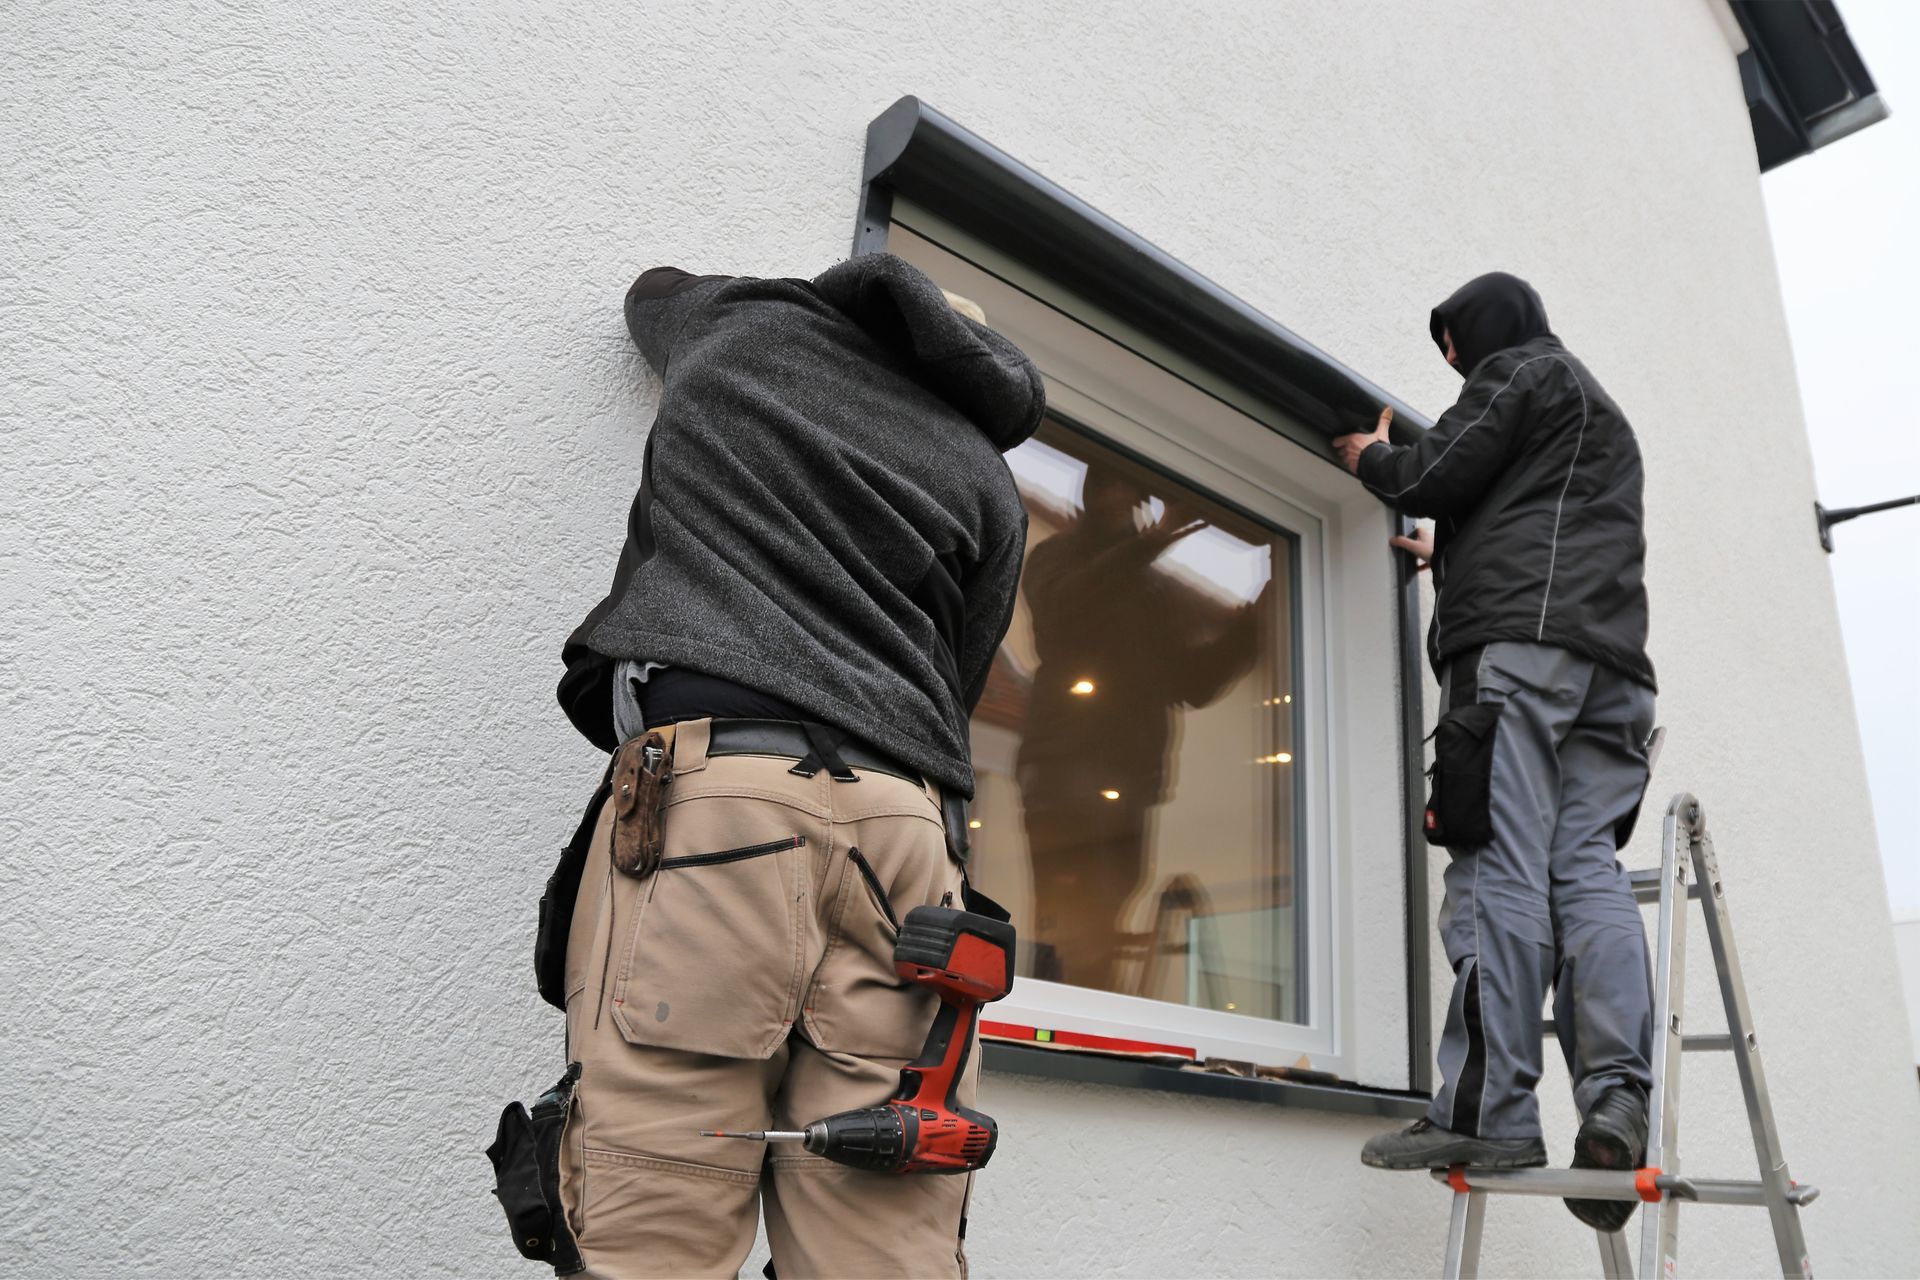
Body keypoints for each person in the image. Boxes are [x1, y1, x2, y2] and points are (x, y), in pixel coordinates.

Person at [544, 254, 1042, 1277]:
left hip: (721, 806)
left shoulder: (745, 333)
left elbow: (651, 292)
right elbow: (957, 684)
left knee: (656, 1223)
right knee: (884, 1234)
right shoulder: (986, 475)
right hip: (908, 844)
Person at [1332, 273, 1658, 1234]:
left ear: (1479, 333)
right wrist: (1458, 553)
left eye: (1452, 346)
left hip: (1517, 659)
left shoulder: (1517, 372)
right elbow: (1542, 521)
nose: (1454, 364)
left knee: (1496, 868)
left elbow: (1436, 472)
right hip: (1613, 678)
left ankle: (1486, 1113)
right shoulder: (1603, 413)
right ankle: (1617, 1096)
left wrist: (1373, 458)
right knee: (1583, 868)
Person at [1015, 464, 1260, 991]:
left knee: (1105, 917)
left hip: (1130, 779)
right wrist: (1151, 543)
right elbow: (1065, 612)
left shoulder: (1152, 590)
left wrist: (1251, 628)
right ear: (1094, 492)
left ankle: (1088, 1036)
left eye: (1133, 495)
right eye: (1114, 488)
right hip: (1065, 769)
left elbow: (1189, 682)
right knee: (1074, 920)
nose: (1124, 502)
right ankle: (1058, 1031)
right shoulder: (1058, 557)